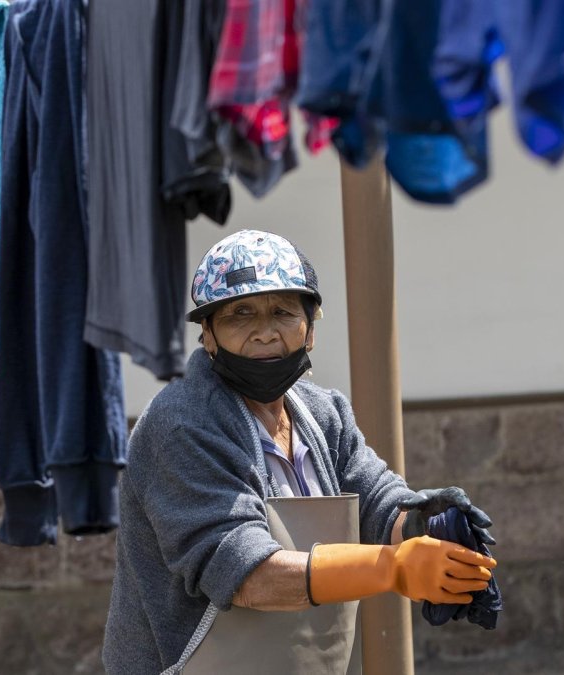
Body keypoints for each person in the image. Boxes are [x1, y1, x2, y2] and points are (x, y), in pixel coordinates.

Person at [103, 229, 498, 674]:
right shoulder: (180, 425)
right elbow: (248, 575)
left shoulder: (323, 413)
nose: (265, 332)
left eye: (283, 312)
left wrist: (426, 525)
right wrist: (393, 567)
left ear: (310, 329)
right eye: (240, 314)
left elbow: (378, 502)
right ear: (208, 336)